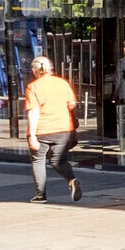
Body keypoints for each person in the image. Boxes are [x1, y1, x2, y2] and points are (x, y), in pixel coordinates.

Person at [24, 56, 82, 203]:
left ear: (34, 71)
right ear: (51, 68)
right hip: (64, 129)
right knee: (58, 161)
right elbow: (72, 104)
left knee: (38, 161)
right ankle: (71, 179)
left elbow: (33, 111)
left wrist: (32, 136)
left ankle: (40, 195)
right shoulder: (62, 83)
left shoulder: (33, 86)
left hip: (42, 130)